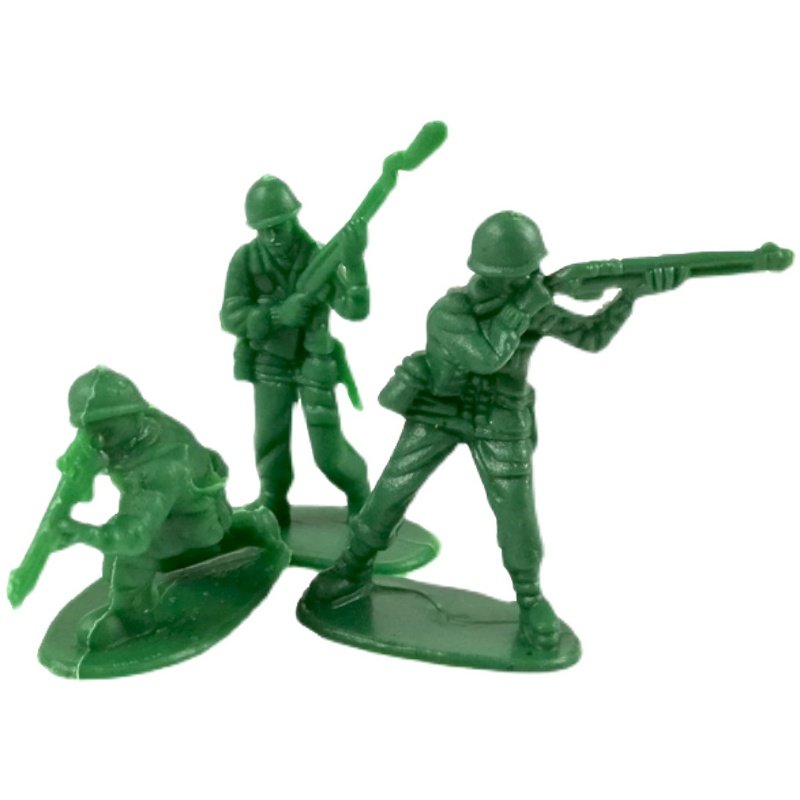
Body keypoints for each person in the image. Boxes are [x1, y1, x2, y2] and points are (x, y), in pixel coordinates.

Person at [305, 210, 684, 649]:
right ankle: (352, 567)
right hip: (439, 408)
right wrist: (525, 308)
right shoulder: (450, 311)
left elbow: (591, 337)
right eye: (524, 274)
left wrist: (629, 296)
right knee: (392, 490)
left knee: (516, 512)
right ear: (497, 276)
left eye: (533, 273)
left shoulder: (528, 305)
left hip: (501, 416)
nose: (534, 280)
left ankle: (530, 597)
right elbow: (487, 356)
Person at [56, 367, 275, 649]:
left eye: (104, 433)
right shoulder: (144, 425)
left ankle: (133, 619)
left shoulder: (158, 469)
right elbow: (108, 447)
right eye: (88, 432)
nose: (96, 442)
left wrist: (80, 533)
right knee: (120, 560)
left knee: (130, 557)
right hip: (194, 508)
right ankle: (253, 525)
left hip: (194, 522)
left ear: (133, 415)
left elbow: (135, 536)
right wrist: (79, 461)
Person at [220, 175, 370, 528]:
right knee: (269, 441)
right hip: (269, 362)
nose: (272, 236)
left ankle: (360, 493)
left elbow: (354, 309)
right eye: (264, 229)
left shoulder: (319, 257)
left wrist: (355, 263)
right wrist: (276, 315)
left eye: (279, 226)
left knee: (327, 451)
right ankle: (272, 501)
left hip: (314, 362)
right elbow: (230, 315)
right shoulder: (245, 259)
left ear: (294, 218)